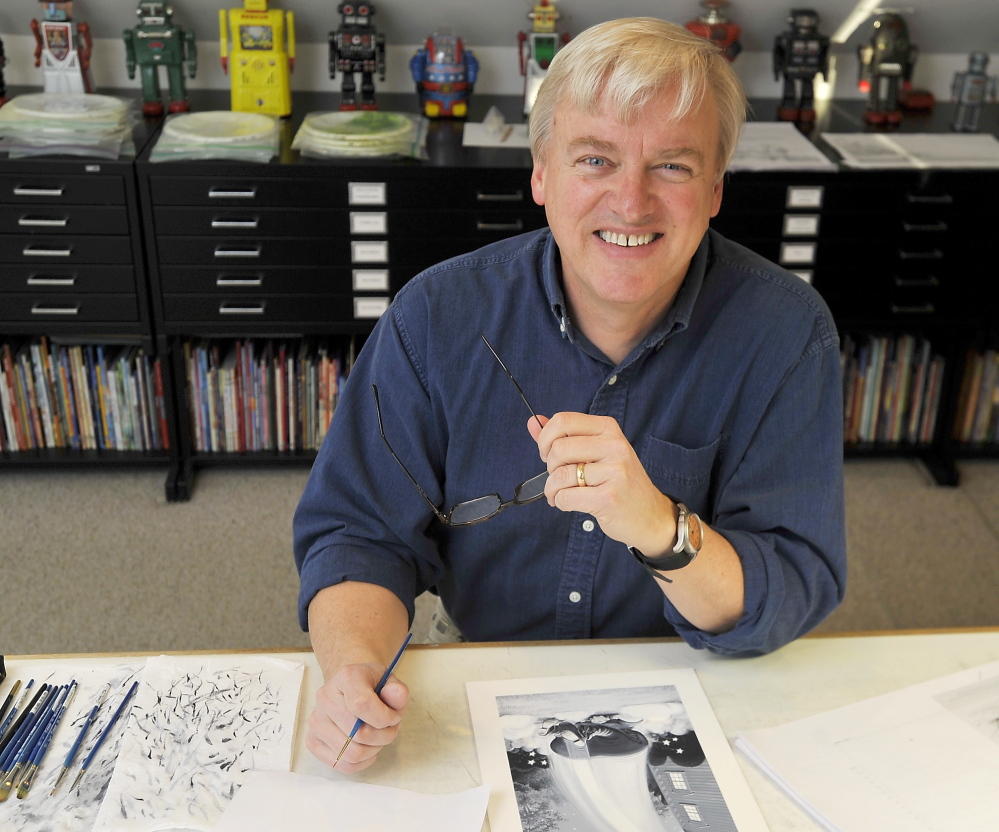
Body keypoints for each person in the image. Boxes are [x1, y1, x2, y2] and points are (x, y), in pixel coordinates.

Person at [293, 17, 846, 773]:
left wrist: (657, 525)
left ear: (715, 189)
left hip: (691, 681)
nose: (631, 201)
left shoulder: (785, 332)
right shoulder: (436, 316)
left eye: (673, 167)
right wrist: (354, 670)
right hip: (480, 674)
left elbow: (789, 585)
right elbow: (358, 535)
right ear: (541, 175)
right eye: (595, 159)